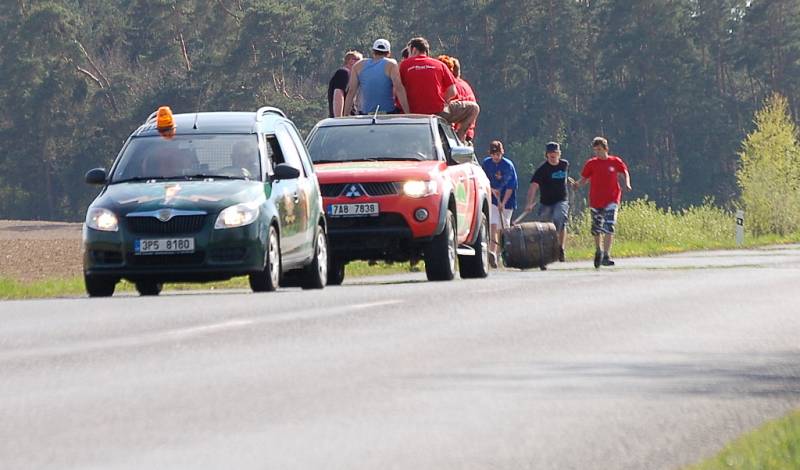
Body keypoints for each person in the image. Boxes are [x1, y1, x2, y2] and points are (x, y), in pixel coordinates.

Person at [399, 37, 479, 141]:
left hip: (413, 113)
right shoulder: (440, 65)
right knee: (473, 108)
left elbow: (398, 89)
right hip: (438, 112)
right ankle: (459, 139)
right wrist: (442, 101)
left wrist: (407, 112)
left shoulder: (403, 65)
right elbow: (452, 91)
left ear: (413, 50)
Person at [573, 137, 632, 268]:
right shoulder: (591, 163)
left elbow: (624, 172)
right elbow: (584, 178)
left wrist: (627, 183)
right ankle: (598, 251)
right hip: (596, 200)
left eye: (599, 150)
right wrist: (578, 184)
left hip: (612, 199)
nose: (597, 153)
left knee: (609, 226)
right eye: (595, 150)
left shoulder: (615, 161)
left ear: (606, 149)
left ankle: (606, 255)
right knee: (596, 228)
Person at [524, 142, 573, 262]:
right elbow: (533, 187)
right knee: (544, 227)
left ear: (559, 153)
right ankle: (546, 252)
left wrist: (571, 182)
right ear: (546, 155)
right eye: (550, 153)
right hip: (546, 202)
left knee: (560, 218)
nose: (553, 155)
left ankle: (561, 248)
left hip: (561, 200)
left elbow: (565, 178)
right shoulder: (542, 170)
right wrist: (529, 203)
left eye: (555, 152)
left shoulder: (564, 164)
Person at [343, 39, 409, 116]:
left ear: (373, 51)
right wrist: (408, 113)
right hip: (387, 113)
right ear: (389, 53)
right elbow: (399, 88)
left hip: (365, 114)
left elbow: (351, 91)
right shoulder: (391, 64)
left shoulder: (358, 65)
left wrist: (345, 115)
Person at [481, 140, 518, 268]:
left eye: (498, 154)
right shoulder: (486, 163)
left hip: (507, 201)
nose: (496, 157)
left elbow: (511, 186)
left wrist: (503, 202)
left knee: (503, 229)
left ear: (502, 153)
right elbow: (483, 180)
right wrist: (492, 190)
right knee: (493, 226)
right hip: (492, 198)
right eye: (493, 154)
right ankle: (492, 254)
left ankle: (502, 253)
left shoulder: (508, 165)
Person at [437, 55, 478, 144]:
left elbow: (452, 115)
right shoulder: (465, 85)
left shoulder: (451, 88)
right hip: (468, 134)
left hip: (456, 137)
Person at [327, 50, 362, 117]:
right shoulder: (343, 73)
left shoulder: (350, 77)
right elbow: (338, 95)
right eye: (360, 61)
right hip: (345, 121)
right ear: (352, 61)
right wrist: (339, 119)